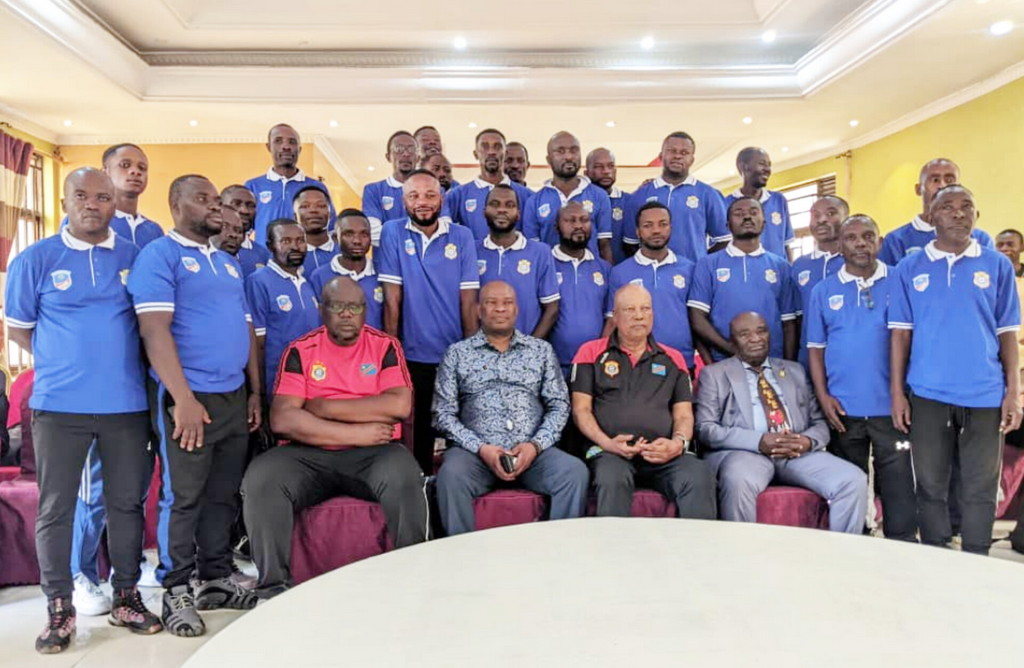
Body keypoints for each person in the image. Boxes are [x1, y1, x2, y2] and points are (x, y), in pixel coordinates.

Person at [6, 168, 161, 653]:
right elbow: (19, 329)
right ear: (64, 202)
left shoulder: (136, 257)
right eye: (81, 196)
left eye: (102, 197)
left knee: (126, 504)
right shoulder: (36, 258)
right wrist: (68, 360)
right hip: (59, 407)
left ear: (114, 203)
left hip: (126, 405)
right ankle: (59, 607)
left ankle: (126, 596)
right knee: (56, 508)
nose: (92, 204)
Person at [128, 174, 263, 636]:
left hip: (232, 395)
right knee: (183, 496)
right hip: (187, 397)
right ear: (176, 204)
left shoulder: (227, 264)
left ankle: (216, 578)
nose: (216, 207)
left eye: (217, 200)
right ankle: (176, 589)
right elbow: (154, 331)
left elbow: (245, 328)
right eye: (203, 199)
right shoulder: (160, 256)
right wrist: (183, 398)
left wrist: (254, 392)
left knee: (222, 494)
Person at [242, 276, 427, 599]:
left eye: (354, 307)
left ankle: (411, 580)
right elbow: (284, 418)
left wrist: (323, 407)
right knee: (262, 478)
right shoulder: (300, 350)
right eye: (338, 306)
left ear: (365, 310)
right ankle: (273, 589)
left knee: (405, 476)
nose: (346, 314)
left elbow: (398, 405)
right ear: (322, 310)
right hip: (309, 454)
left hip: (374, 454)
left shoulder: (385, 346)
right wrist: (357, 431)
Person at [889, 184, 1022, 556]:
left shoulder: (997, 265)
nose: (959, 213)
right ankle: (936, 551)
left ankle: (977, 556)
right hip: (927, 393)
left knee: (981, 485)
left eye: (967, 206)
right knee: (930, 483)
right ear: (932, 216)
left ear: (977, 215)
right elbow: (900, 335)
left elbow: (1008, 335)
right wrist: (897, 393)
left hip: (985, 393)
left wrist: (1014, 393)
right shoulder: (909, 268)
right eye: (947, 206)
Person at [434, 282, 585, 535]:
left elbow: (559, 405)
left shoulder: (541, 351)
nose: (500, 309)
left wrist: (535, 445)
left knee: (573, 472)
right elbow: (442, 414)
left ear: (516, 309)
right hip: (475, 455)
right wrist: (481, 448)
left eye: (507, 303)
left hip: (533, 454)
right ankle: (461, 554)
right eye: (491, 303)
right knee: (451, 475)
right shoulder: (457, 354)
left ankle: (560, 551)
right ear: (479, 310)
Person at [696, 312, 868, 532]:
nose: (755, 338)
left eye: (761, 331)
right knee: (739, 479)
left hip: (795, 453)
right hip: (744, 453)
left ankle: (843, 550)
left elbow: (819, 422)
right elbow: (705, 429)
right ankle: (741, 550)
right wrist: (759, 441)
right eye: (745, 334)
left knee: (852, 479)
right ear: (733, 341)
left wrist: (806, 441)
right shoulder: (714, 374)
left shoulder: (794, 371)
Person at [805, 215, 916, 541]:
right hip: (843, 408)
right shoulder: (823, 290)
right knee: (851, 483)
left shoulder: (900, 280)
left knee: (898, 484)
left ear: (879, 242)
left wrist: (901, 395)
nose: (860, 244)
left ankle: (902, 545)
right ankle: (857, 543)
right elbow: (816, 349)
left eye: (868, 236)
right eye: (851, 238)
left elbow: (908, 338)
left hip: (891, 407)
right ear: (840, 245)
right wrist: (823, 396)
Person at [571, 284, 716, 518]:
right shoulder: (590, 352)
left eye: (645, 309)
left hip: (662, 453)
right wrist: (607, 443)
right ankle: (611, 543)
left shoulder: (674, 358)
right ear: (615, 316)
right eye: (630, 309)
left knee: (698, 475)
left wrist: (677, 444)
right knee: (611, 477)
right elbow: (581, 411)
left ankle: (694, 543)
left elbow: (683, 414)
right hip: (609, 451)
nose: (639, 316)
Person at [377, 170, 480, 473]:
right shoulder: (392, 232)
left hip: (453, 354)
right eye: (414, 195)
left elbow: (468, 301)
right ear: (404, 200)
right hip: (412, 355)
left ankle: (454, 489)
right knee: (418, 431)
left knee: (457, 431)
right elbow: (392, 300)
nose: (422, 202)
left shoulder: (462, 236)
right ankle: (422, 489)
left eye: (430, 195)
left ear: (442, 199)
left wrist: (470, 354)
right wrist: (393, 355)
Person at [688, 197, 798, 363]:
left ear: (764, 223)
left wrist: (787, 366)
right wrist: (732, 351)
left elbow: (789, 323)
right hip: (725, 362)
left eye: (753, 213)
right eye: (739, 213)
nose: (747, 217)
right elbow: (697, 318)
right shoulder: (707, 264)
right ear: (728, 225)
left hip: (772, 362)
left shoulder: (781, 266)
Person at [605, 202, 696, 367]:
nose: (656, 230)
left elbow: (697, 317)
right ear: (638, 232)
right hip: (635, 364)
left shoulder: (689, 269)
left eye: (663, 224)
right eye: (648, 225)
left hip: (682, 361)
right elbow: (613, 321)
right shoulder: (620, 272)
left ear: (671, 228)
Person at [624, 132, 730, 263]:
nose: (677, 156)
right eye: (671, 151)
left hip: (692, 274)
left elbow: (724, 240)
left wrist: (702, 265)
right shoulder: (639, 196)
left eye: (684, 152)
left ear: (692, 160)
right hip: (651, 274)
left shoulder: (708, 194)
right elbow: (630, 243)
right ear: (661, 156)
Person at [246, 219, 321, 401]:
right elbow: (256, 342)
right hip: (278, 383)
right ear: (270, 246)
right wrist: (258, 391)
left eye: (300, 240)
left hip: (312, 380)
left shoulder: (306, 283)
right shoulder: (259, 281)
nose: (295, 246)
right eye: (286, 241)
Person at [476, 185, 560, 337]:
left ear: (518, 214)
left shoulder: (540, 252)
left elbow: (551, 308)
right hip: (481, 347)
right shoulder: (472, 250)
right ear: (484, 211)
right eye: (495, 204)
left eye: (509, 205)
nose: (502, 210)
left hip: (526, 344)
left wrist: (530, 346)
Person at [878, 158, 993, 265]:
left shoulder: (980, 239)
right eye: (935, 180)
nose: (942, 185)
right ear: (919, 189)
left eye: (949, 180)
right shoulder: (896, 240)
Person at [522, 131, 613, 263]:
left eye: (574, 150)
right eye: (560, 151)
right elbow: (532, 251)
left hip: (590, 273)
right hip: (550, 274)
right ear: (549, 159)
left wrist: (608, 274)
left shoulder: (599, 196)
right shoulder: (534, 201)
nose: (569, 156)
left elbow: (604, 246)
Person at [245, 123, 333, 245]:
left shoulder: (317, 188)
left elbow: (331, 230)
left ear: (299, 149)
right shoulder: (253, 186)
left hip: (304, 255)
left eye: (292, 142)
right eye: (278, 141)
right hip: (265, 256)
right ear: (268, 147)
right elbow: (242, 230)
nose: (286, 146)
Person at [550, 202, 611, 373]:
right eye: (570, 220)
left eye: (584, 220)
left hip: (593, 366)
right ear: (556, 226)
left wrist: (599, 356)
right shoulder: (546, 264)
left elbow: (611, 319)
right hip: (553, 365)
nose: (578, 225)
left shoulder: (604, 268)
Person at [792, 196, 848, 367]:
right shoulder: (799, 265)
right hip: (809, 360)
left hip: (850, 360)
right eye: (815, 215)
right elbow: (796, 319)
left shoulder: (857, 262)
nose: (822, 219)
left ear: (846, 219)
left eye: (830, 213)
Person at [446, 128, 533, 240]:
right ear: (476, 154)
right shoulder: (458, 195)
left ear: (505, 153)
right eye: (485, 146)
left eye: (497, 147)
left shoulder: (528, 196)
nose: (491, 152)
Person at [309, 209, 383, 329]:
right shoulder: (319, 276)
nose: (357, 241)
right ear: (335, 238)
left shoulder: (382, 273)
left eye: (364, 234)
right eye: (349, 234)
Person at [723, 148, 795, 260]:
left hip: (776, 270)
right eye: (762, 164)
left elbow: (786, 245)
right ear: (744, 166)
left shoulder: (779, 200)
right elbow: (722, 246)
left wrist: (789, 269)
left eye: (769, 165)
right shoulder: (725, 204)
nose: (767, 169)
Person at [362, 131, 419, 245]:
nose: (406, 154)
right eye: (399, 149)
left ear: (418, 157)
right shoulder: (373, 190)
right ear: (388, 157)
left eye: (411, 149)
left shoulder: (432, 191)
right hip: (387, 256)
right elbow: (373, 232)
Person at [585, 147, 629, 264]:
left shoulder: (629, 201)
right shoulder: (578, 203)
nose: (606, 171)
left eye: (610, 166)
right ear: (586, 173)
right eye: (598, 166)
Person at [222, 185, 270, 276]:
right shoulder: (206, 249)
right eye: (236, 204)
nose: (244, 211)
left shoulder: (264, 255)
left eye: (250, 206)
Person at [293, 186, 337, 276]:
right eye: (305, 206)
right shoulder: (287, 255)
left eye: (321, 206)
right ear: (295, 216)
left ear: (330, 214)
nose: (313, 210)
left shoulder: (345, 250)